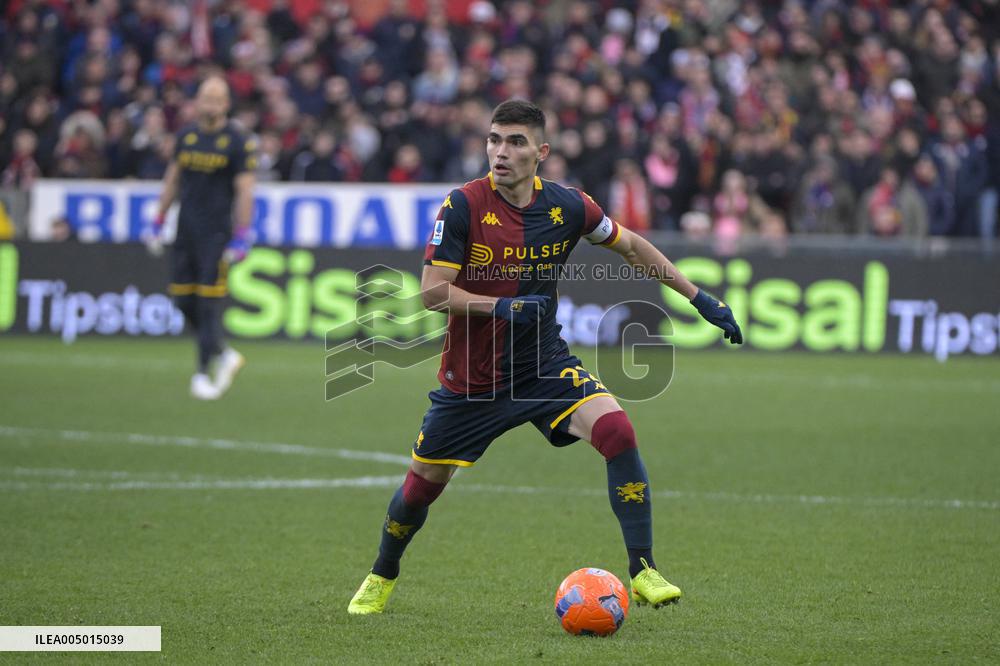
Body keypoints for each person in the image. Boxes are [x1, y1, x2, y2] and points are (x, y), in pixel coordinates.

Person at [347, 100, 742, 615]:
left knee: (618, 431)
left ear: (542, 151)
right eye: (494, 140)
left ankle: (643, 569)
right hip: (473, 382)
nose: (500, 152)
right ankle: (383, 572)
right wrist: (501, 307)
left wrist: (697, 296)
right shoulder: (462, 205)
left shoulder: (568, 207)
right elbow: (431, 292)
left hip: (542, 367)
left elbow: (631, 247)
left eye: (514, 142)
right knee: (419, 492)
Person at [147, 76, 256, 400]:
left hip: (217, 234)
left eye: (216, 99)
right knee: (183, 300)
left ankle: (201, 374)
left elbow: (245, 190)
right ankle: (223, 353)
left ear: (226, 104)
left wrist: (242, 234)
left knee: (209, 304)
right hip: (185, 231)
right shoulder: (187, 136)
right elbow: (173, 179)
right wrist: (158, 218)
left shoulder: (238, 142)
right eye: (204, 98)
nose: (209, 105)